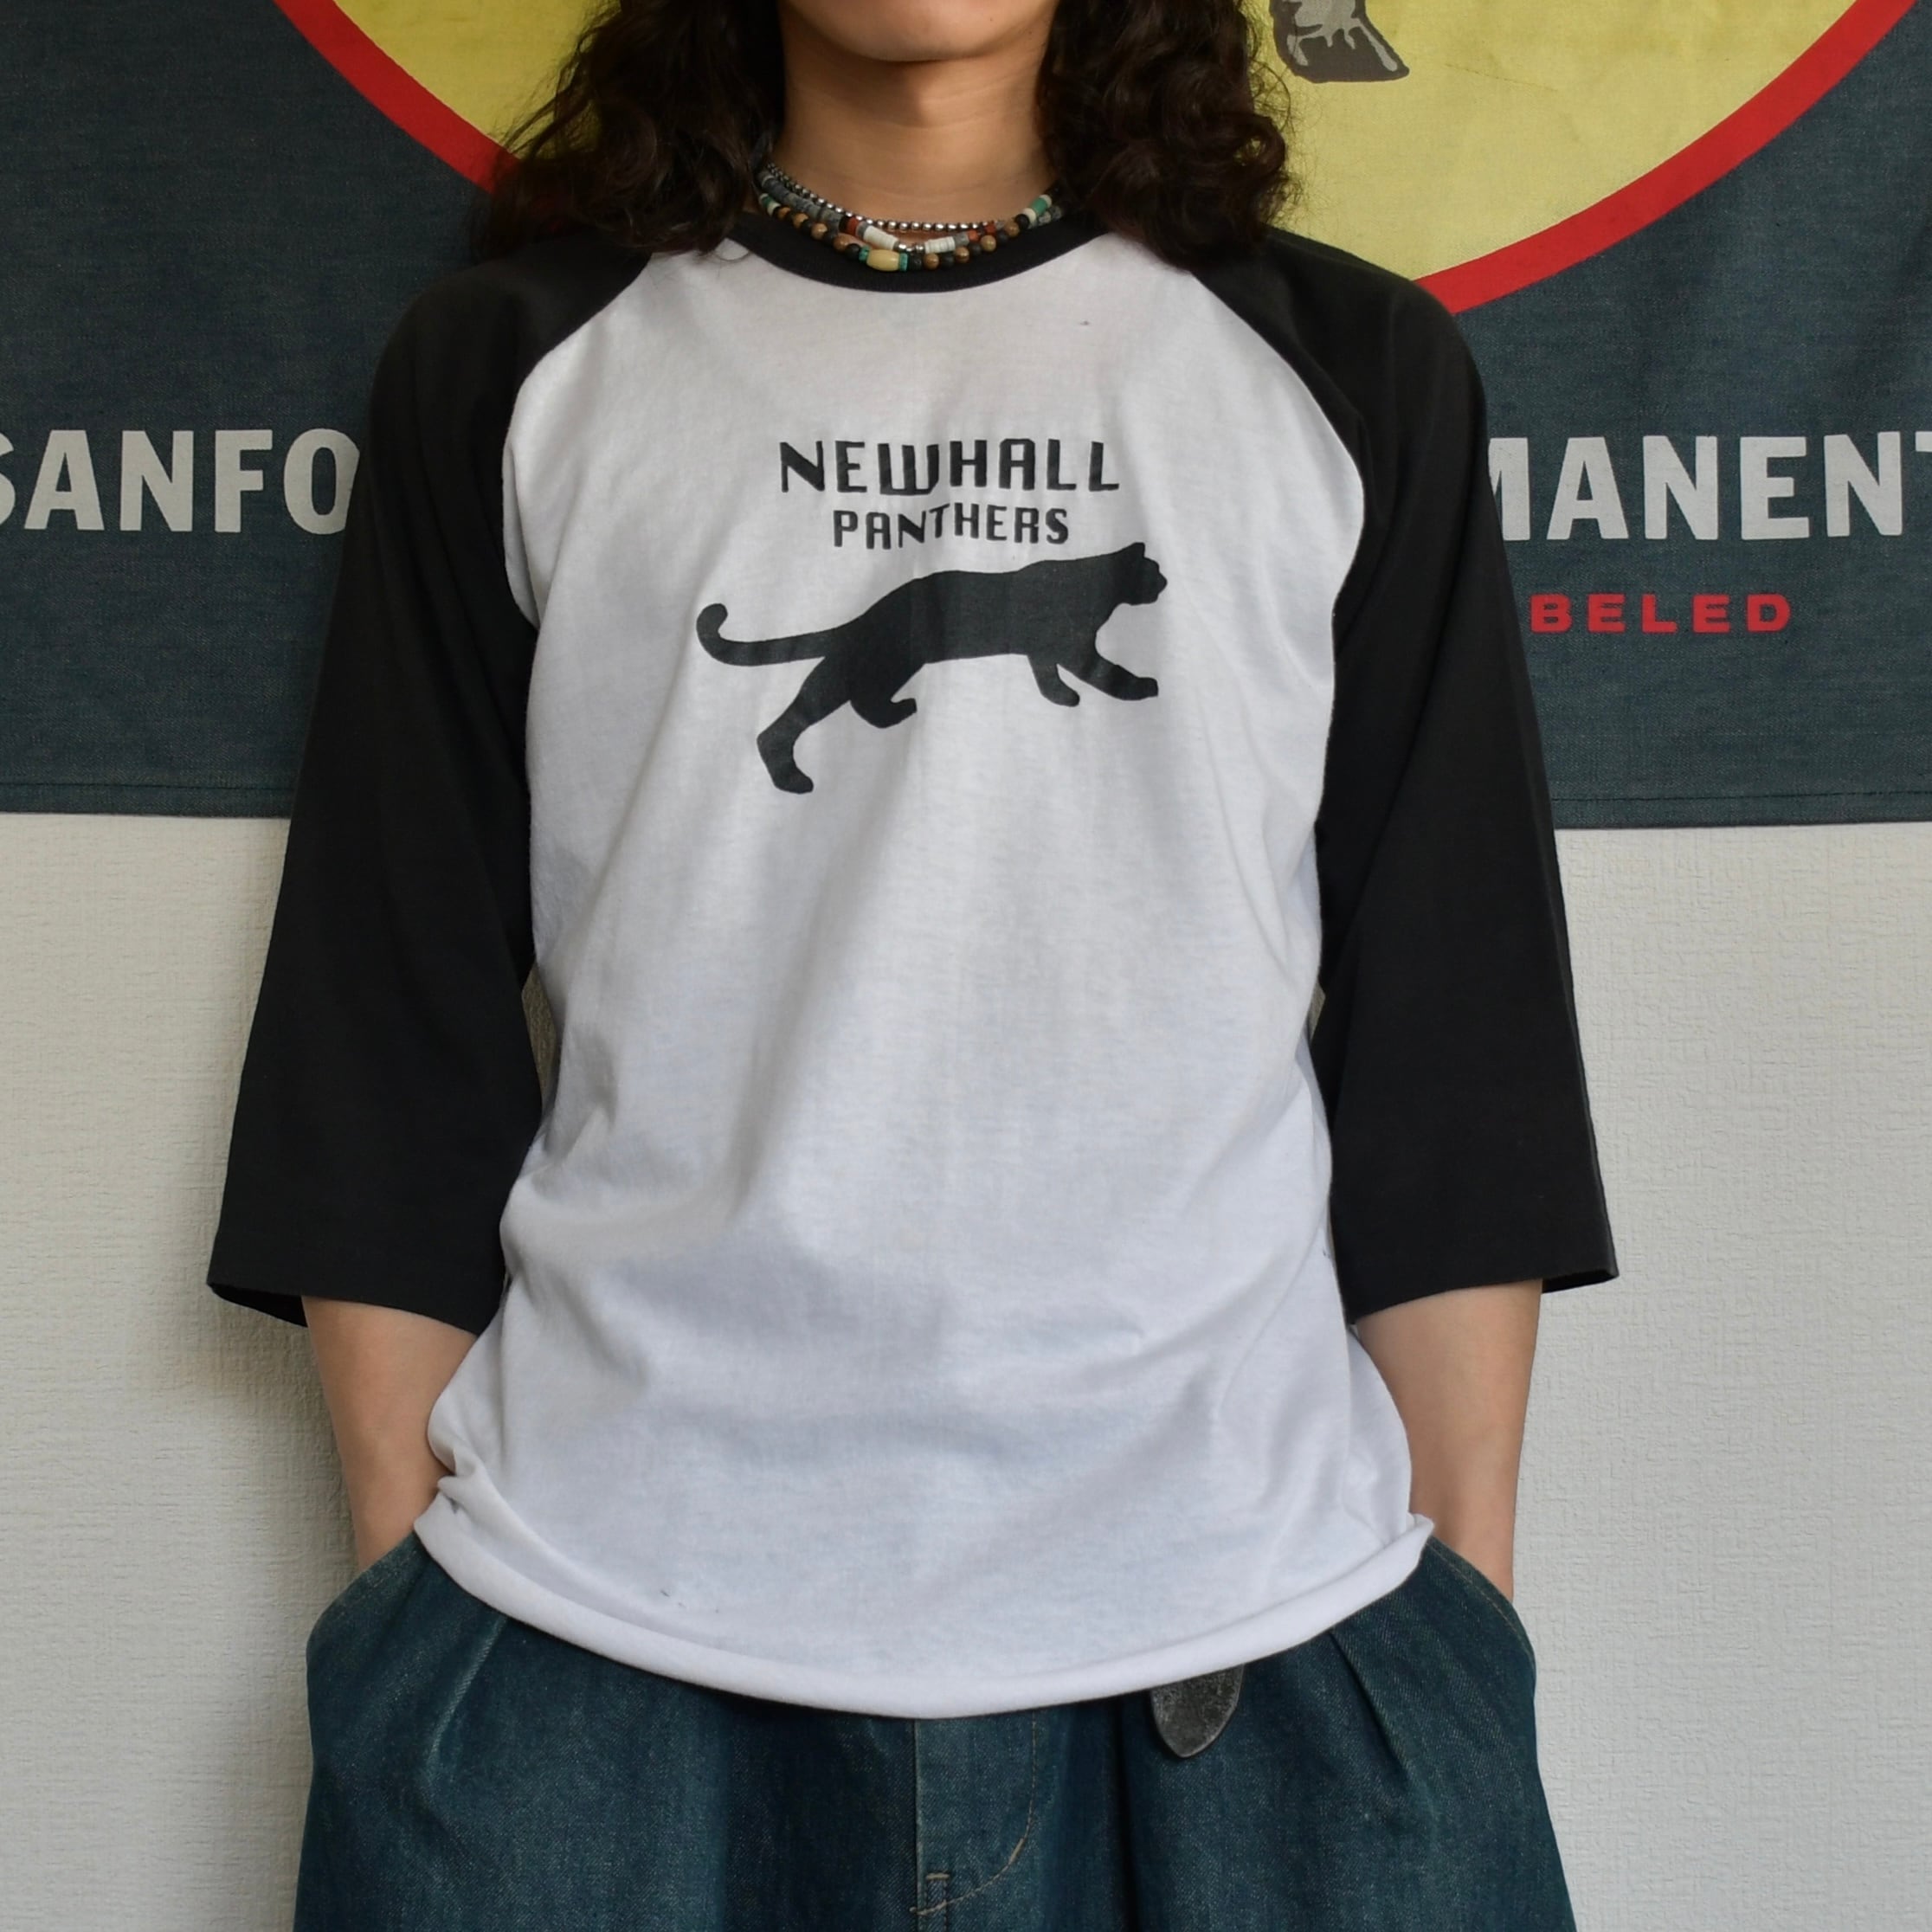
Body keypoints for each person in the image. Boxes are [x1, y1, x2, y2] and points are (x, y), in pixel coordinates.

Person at [207, 0, 1618, 1924]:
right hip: (594, 1635)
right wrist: (414, 1601)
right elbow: (382, 1020)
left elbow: (1459, 1034)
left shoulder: (1347, 365)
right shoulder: (513, 364)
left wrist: (1456, 1623)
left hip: (1260, 1638)